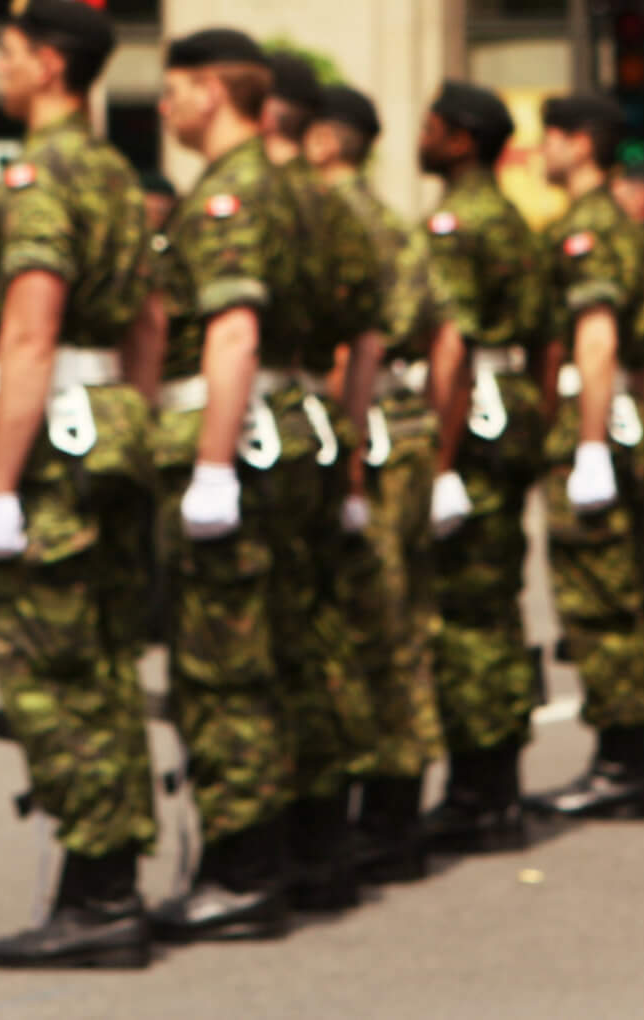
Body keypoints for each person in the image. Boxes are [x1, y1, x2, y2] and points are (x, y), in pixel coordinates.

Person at [0, 0, 162, 970]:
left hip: (50, 449)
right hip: (111, 431)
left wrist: (0, 482)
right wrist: (138, 419)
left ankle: (99, 894)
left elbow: (30, 329)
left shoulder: (40, 177)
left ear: (48, 65)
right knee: (106, 663)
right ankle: (112, 877)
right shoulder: (120, 171)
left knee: (48, 673)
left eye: (6, 53)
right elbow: (150, 324)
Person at [148, 28, 321, 941]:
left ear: (213, 91)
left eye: (175, 89)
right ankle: (276, 855)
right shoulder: (290, 184)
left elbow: (234, 332)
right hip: (281, 436)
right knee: (272, 650)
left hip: (233, 443)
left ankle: (243, 874)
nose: (165, 106)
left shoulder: (230, 192)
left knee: (225, 669)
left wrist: (212, 466)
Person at [305, 82, 449, 881]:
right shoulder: (397, 219)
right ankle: (399, 806)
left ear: (327, 141)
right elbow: (450, 334)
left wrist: (349, 448)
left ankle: (387, 813)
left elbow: (348, 350)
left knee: (369, 623)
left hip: (371, 434)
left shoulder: (336, 217)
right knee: (402, 621)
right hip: (410, 427)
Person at [257, 51, 380, 911]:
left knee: (262, 645)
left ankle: (274, 848)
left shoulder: (277, 198)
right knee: (311, 633)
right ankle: (320, 833)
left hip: (269, 425)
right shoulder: (329, 203)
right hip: (315, 424)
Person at [529, 92, 644, 822]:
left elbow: (598, 339)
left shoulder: (588, 227)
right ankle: (626, 757)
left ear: (582, 144)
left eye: (551, 136)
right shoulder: (624, 226)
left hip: (593, 430)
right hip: (619, 426)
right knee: (620, 592)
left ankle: (621, 764)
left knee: (599, 599)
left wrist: (588, 445)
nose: (541, 150)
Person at [417, 81, 551, 853]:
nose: (423, 137)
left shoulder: (457, 221)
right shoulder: (513, 219)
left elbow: (452, 346)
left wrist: (440, 463)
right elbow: (548, 339)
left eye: (434, 127)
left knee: (467, 613)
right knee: (495, 603)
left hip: (472, 425)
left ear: (463, 138)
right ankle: (498, 779)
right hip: (511, 418)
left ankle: (478, 789)